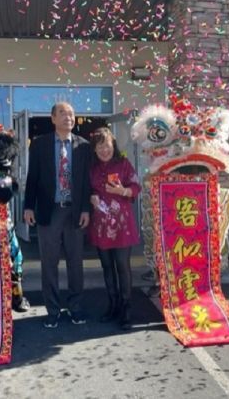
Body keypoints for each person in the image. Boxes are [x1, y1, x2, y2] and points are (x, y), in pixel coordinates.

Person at [24, 102, 91, 328]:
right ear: (53, 118)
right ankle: (52, 310)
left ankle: (76, 308)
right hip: (49, 210)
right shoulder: (40, 145)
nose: (68, 117)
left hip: (74, 211)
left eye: (71, 114)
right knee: (49, 264)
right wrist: (28, 206)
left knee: (75, 263)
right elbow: (32, 176)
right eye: (62, 113)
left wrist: (85, 209)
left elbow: (86, 182)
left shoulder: (83, 146)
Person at [88, 128, 140, 330]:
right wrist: (91, 195)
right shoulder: (91, 168)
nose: (104, 150)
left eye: (107, 145)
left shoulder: (123, 164)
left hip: (121, 224)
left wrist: (123, 190)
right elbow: (88, 188)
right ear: (95, 149)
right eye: (100, 146)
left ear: (113, 145)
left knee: (122, 266)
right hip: (101, 224)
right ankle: (113, 305)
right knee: (107, 266)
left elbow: (136, 186)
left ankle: (126, 307)